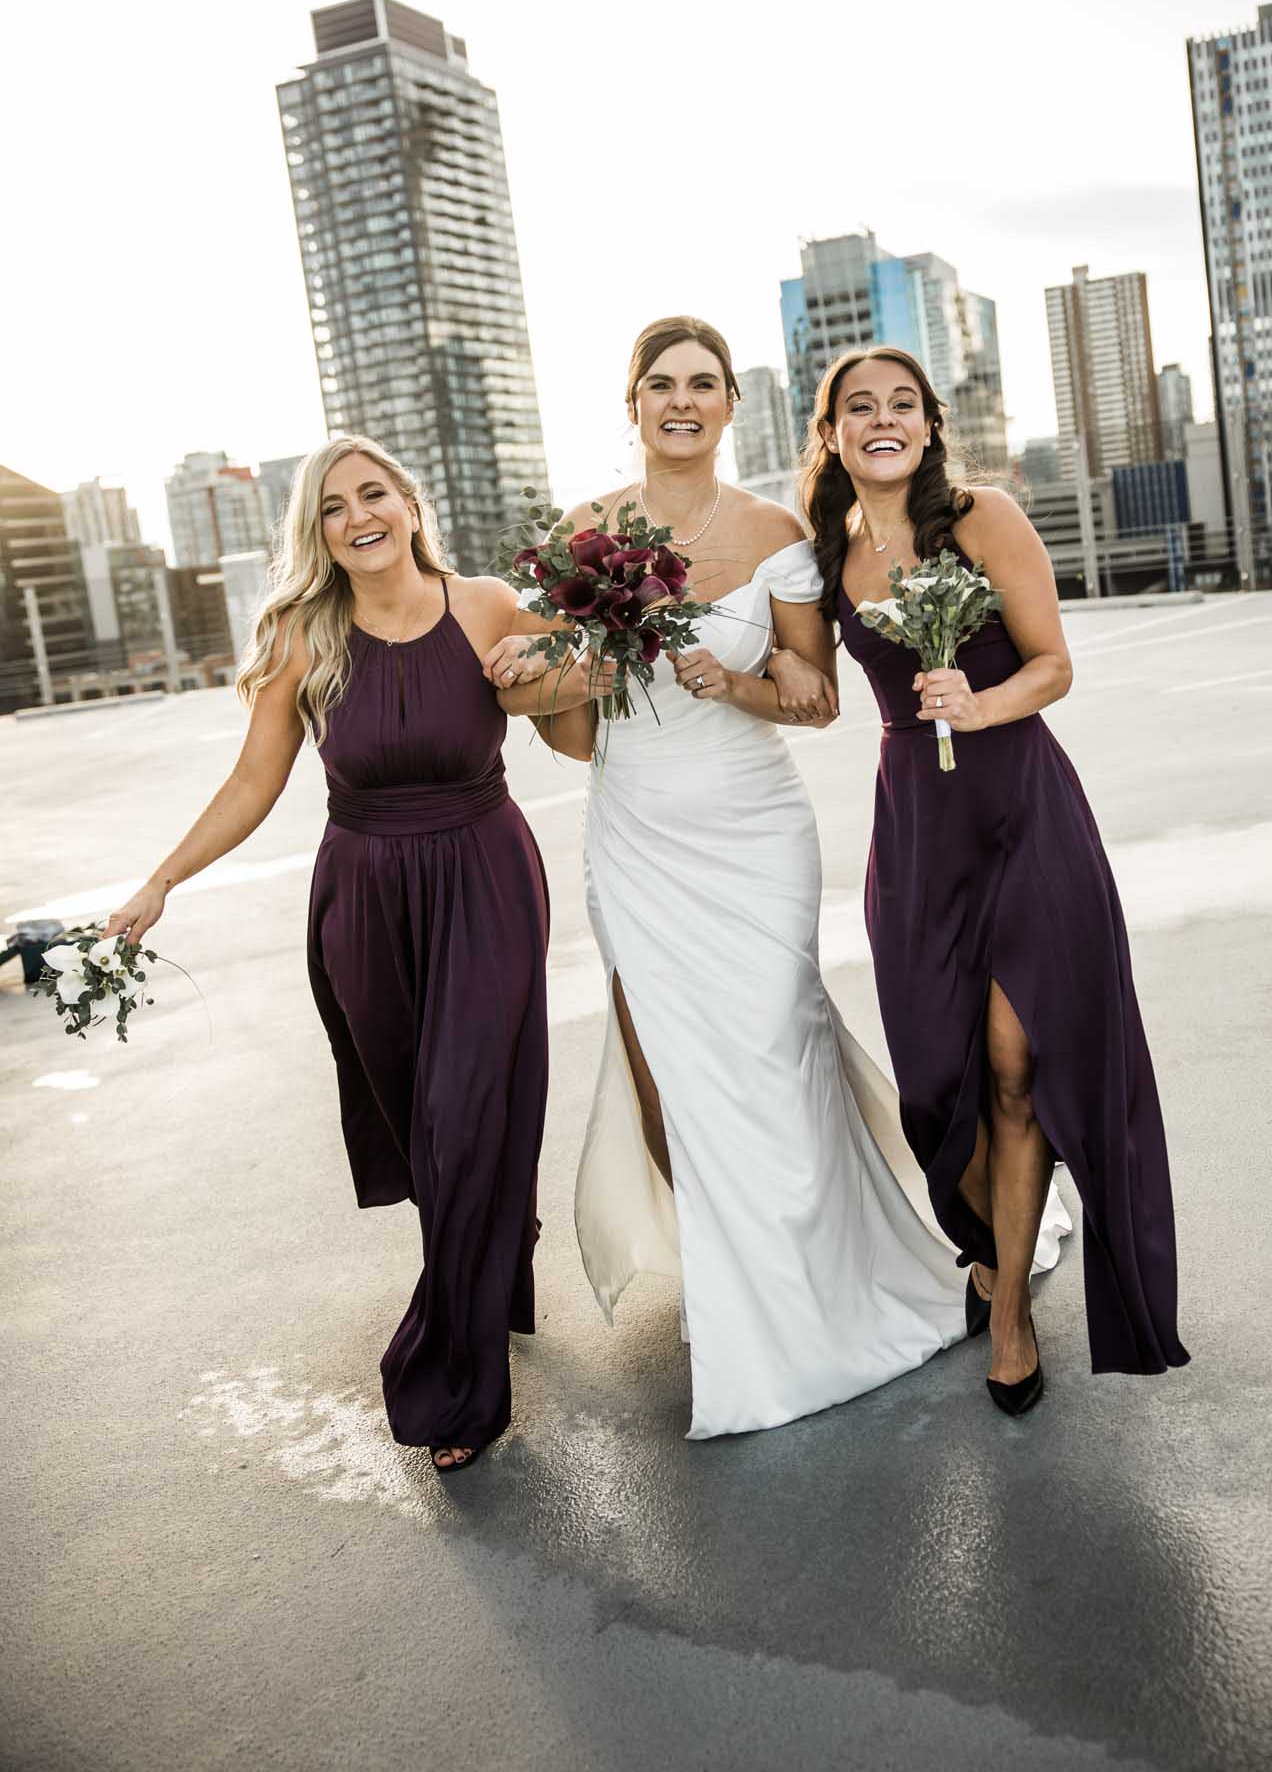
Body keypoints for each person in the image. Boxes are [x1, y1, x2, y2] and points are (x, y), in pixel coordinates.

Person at [487, 316, 1069, 1439]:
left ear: (730, 405)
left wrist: (732, 680)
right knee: (665, 1073)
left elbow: (817, 693)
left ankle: (821, 1281)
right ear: (631, 402)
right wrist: (544, 671)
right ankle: (732, 1274)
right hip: (636, 829)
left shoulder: (775, 527)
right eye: (661, 384)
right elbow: (566, 736)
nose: (682, 401)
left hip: (751, 830)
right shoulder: (583, 532)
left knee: (769, 1053)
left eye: (703, 384)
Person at [102, 437, 550, 1474]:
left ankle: (457, 1378)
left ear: (408, 501)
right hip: (364, 897)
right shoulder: (308, 636)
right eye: (336, 506)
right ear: (317, 531)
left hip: (484, 878)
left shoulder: (483, 601)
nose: (360, 516)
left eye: (375, 493)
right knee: (418, 1113)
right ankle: (496, 1264)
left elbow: (570, 706)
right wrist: (162, 877)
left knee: (463, 1111)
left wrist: (593, 655)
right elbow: (254, 782)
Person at [800, 344, 1188, 1415]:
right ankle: (986, 1248)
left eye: (903, 405)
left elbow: (1051, 660)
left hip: (1023, 811)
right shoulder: (824, 554)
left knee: (1016, 1070)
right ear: (828, 432)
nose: (884, 419)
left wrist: (978, 703)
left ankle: (1008, 1312)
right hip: (916, 833)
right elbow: (803, 683)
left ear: (928, 424)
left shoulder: (982, 514)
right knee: (937, 1085)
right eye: (858, 406)